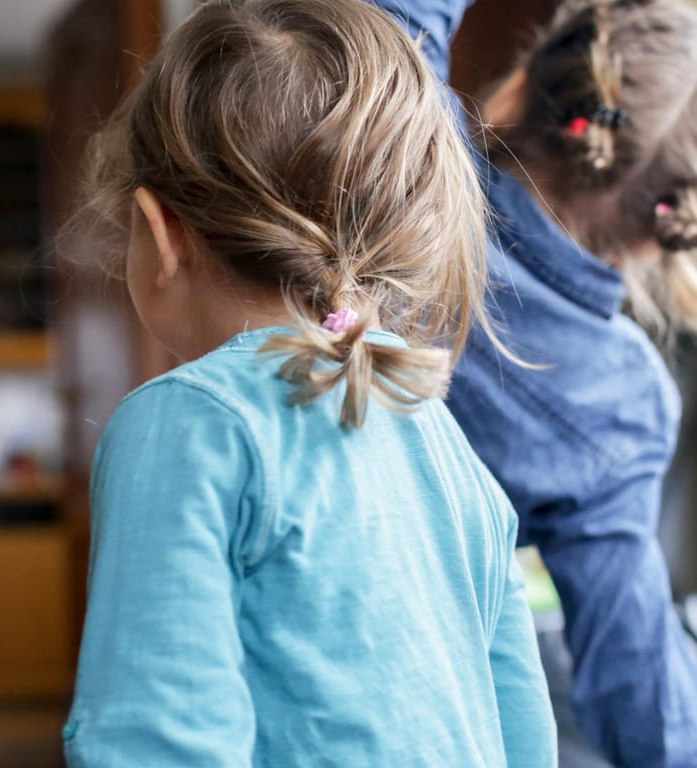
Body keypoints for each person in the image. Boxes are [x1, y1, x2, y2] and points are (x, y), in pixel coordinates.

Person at [61, 0, 555, 764]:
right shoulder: (435, 432)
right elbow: (522, 727)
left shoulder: (189, 423)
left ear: (158, 234)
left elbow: (152, 738)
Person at [372, 0, 697, 764]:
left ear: (536, 87)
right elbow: (645, 702)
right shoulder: (623, 397)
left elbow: (393, 16)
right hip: (415, 716)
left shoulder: (405, 161)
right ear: (668, 227)